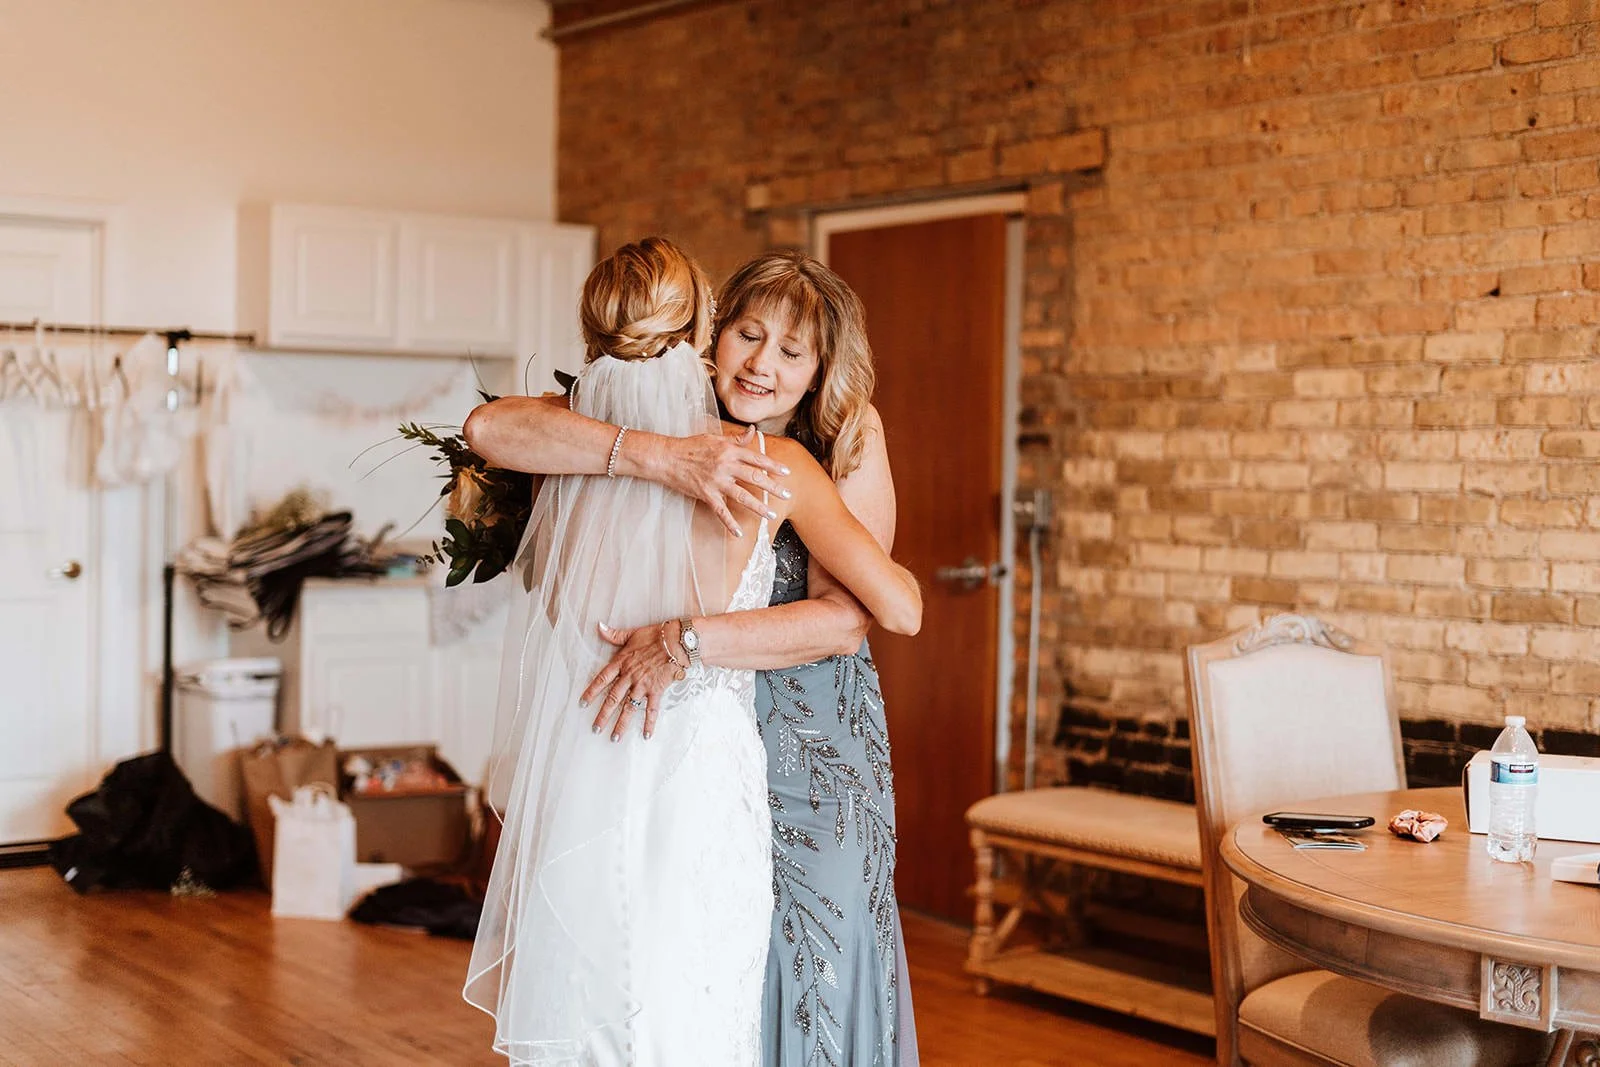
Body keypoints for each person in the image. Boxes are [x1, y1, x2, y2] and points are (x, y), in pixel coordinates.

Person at [462, 238, 920, 1067]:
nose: (762, 364)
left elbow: (859, 617)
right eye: (747, 335)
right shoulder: (638, 427)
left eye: (791, 351)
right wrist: (666, 457)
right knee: (677, 972)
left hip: (800, 735)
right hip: (667, 735)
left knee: (774, 962)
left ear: (820, 371)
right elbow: (488, 427)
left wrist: (685, 639)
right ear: (709, 335)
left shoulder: (830, 442)